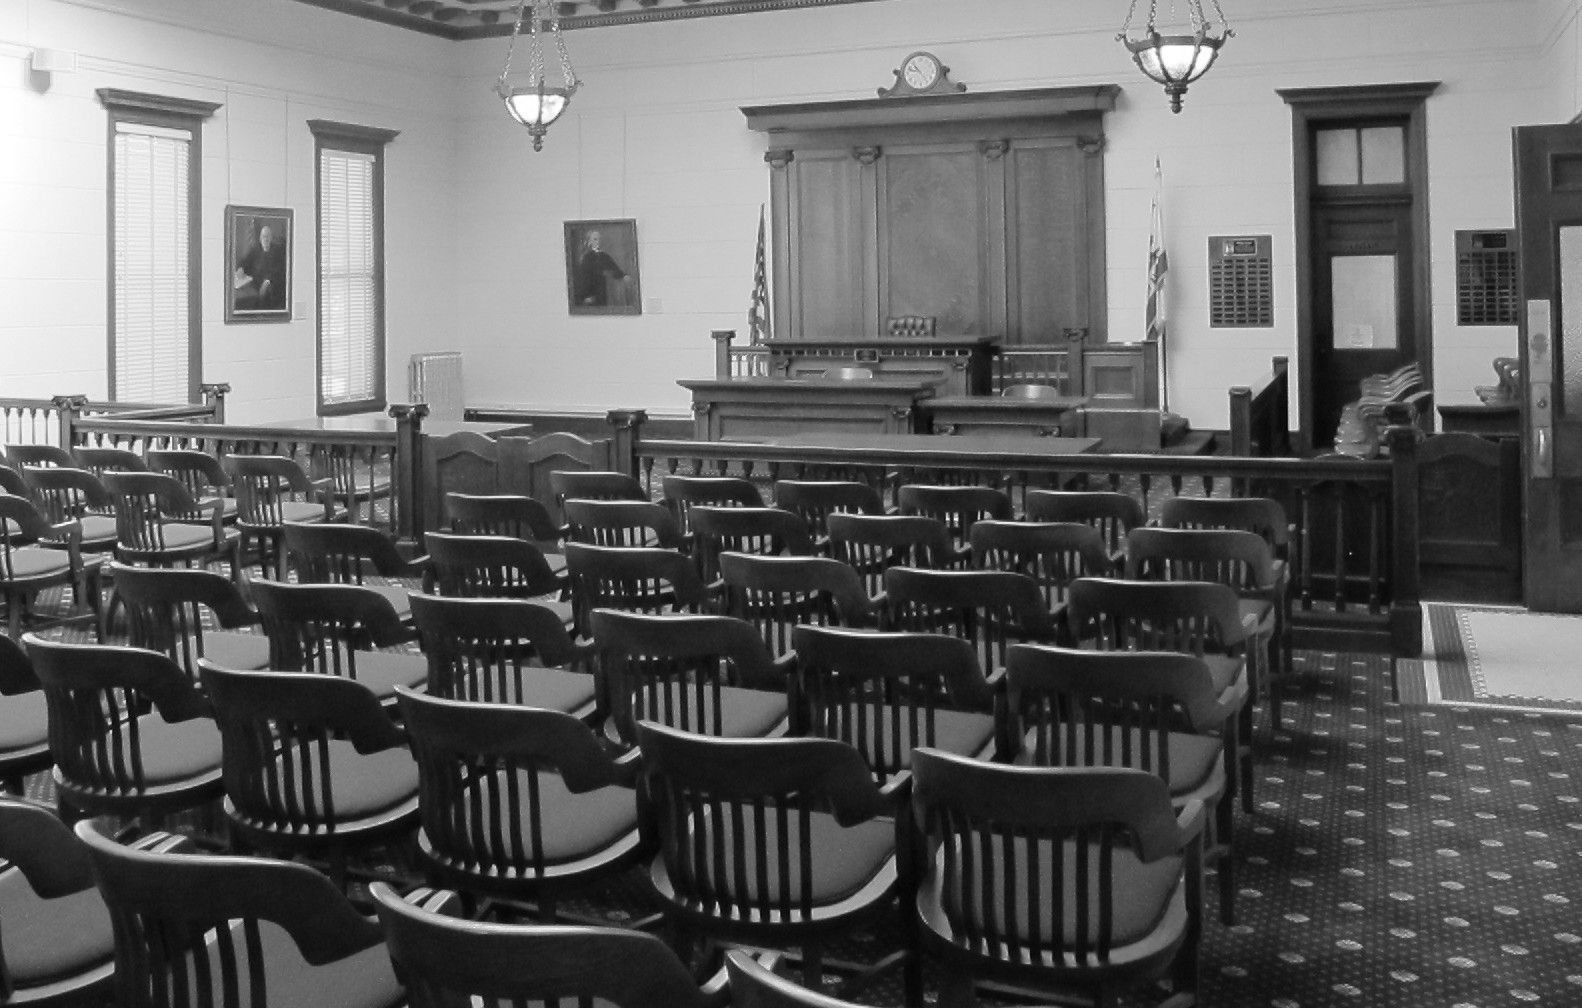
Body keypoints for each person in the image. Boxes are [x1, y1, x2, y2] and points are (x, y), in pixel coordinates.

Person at [233, 223, 287, 311]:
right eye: (263, 236)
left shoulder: (278, 252)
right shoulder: (256, 249)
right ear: (260, 238)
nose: (265, 239)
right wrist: (241, 268)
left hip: (270, 286)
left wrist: (267, 282)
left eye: (267, 236)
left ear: (271, 238)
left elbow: (278, 272)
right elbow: (246, 260)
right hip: (253, 283)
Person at [573, 229, 627, 307]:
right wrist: (587, 295)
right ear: (590, 242)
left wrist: (623, 275)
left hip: (602, 289)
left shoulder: (604, 256)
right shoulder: (587, 257)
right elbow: (584, 278)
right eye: (595, 239)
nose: (598, 241)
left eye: (599, 239)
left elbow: (613, 267)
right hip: (591, 292)